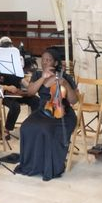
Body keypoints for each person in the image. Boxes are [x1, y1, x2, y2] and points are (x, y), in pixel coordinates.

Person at [15, 48, 78, 181]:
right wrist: (42, 78)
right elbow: (31, 92)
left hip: (63, 113)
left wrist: (66, 85)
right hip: (42, 111)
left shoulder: (65, 77)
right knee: (26, 127)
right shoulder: (38, 75)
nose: (44, 62)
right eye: (43, 60)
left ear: (55, 63)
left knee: (46, 129)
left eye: (48, 60)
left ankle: (49, 166)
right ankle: (32, 163)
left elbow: (74, 100)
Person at [0, 37, 39, 137]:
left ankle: (33, 125)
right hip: (3, 93)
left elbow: (21, 79)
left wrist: (30, 86)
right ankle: (6, 129)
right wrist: (7, 87)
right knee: (15, 107)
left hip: (17, 92)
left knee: (36, 101)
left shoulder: (15, 63)